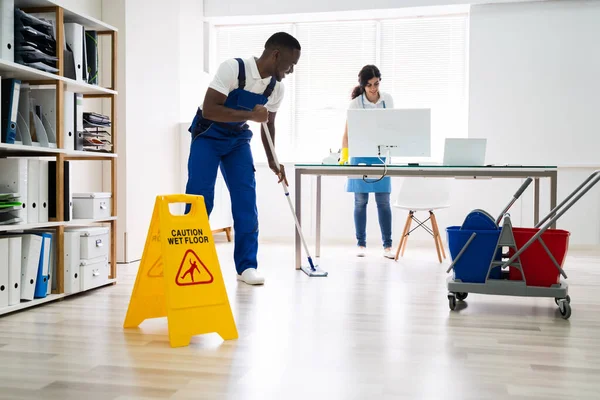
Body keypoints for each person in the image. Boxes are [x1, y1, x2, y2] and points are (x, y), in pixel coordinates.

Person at [186, 32, 301, 285]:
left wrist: (273, 160)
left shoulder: (276, 88)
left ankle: (246, 266)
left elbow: (268, 125)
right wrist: (250, 114)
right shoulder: (234, 69)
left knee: (246, 201)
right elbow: (210, 109)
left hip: (237, 140)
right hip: (207, 135)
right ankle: (186, 259)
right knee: (200, 198)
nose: (291, 70)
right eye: (290, 64)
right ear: (276, 54)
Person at [338, 65, 395, 259]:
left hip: (380, 156)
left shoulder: (387, 100)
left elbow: (392, 128)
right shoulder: (355, 104)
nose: (373, 88)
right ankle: (361, 244)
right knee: (360, 201)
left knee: (383, 202)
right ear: (363, 85)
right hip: (360, 156)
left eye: (376, 83)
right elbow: (347, 135)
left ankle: (387, 246)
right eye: (369, 85)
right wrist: (344, 159)